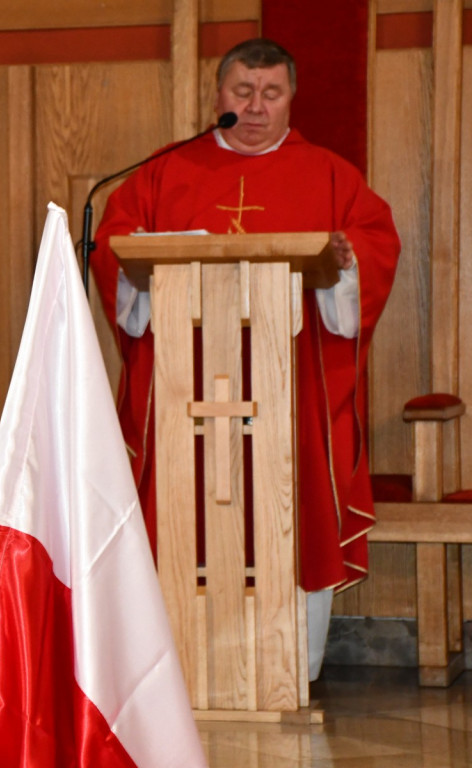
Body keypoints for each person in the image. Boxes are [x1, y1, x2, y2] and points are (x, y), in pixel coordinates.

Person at [90, 38, 400, 680]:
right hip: (184, 390)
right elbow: (115, 244)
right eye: (243, 92)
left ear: (291, 99)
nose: (255, 107)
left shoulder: (332, 175)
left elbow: (371, 244)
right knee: (184, 512)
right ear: (218, 95)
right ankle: (169, 667)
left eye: (271, 93)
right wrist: (137, 260)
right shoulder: (162, 173)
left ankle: (291, 666)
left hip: (292, 399)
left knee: (292, 508)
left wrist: (344, 264)